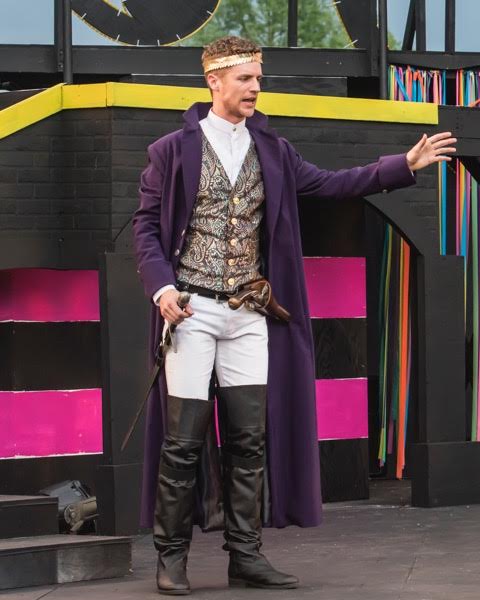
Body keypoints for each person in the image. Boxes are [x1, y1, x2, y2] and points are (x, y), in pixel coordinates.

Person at [132, 35, 455, 595]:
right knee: (183, 443)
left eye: (259, 77)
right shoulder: (171, 150)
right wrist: (162, 289)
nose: (256, 88)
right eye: (246, 78)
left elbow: (332, 185)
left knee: (249, 438)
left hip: (249, 313)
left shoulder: (273, 151)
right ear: (214, 80)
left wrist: (402, 164)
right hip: (191, 310)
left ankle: (245, 554)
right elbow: (144, 228)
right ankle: (172, 556)